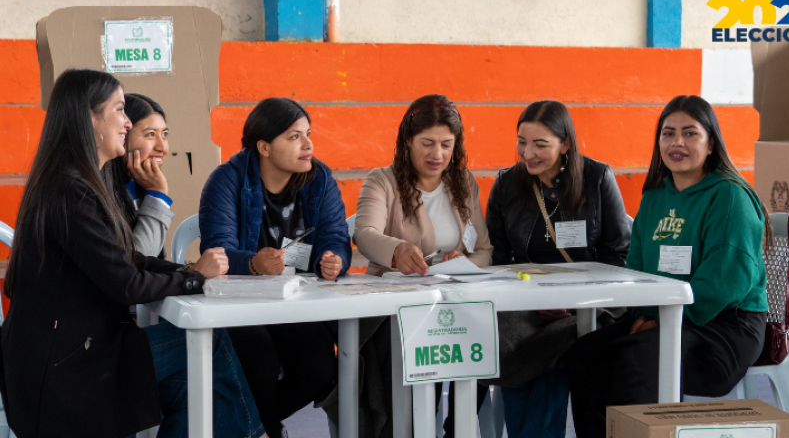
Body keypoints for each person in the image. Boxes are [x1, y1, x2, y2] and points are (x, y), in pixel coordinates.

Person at [0, 69, 267, 438]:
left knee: (192, 387)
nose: (127, 122)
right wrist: (195, 277)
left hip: (75, 352)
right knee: (211, 341)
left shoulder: (77, 182)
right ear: (89, 118)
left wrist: (189, 269)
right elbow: (125, 283)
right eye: (120, 110)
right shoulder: (71, 191)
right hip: (65, 369)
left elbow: (127, 258)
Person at [567, 95, 769, 438]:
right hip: (660, 315)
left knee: (629, 362)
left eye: (690, 133)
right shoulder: (656, 196)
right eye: (667, 133)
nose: (677, 142)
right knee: (583, 355)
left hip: (723, 327)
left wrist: (661, 319)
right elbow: (638, 266)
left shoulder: (729, 197)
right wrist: (647, 314)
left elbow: (723, 282)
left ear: (711, 144)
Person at [199, 97, 351, 437]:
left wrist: (334, 259)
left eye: (308, 133)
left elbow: (336, 236)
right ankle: (265, 429)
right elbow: (217, 249)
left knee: (319, 366)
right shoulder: (227, 180)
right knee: (259, 357)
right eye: (294, 137)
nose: (308, 144)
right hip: (239, 304)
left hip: (293, 302)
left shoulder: (320, 178)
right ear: (264, 146)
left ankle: (250, 428)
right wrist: (252, 263)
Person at [484, 100, 631, 438]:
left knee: (557, 341)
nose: (527, 153)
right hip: (526, 304)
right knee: (509, 338)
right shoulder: (507, 184)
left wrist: (575, 303)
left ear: (565, 144)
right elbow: (499, 259)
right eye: (522, 141)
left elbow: (618, 255)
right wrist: (532, 301)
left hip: (593, 304)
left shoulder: (597, 177)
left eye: (540, 144)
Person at [351, 94, 493, 437]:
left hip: (455, 304)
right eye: (427, 143)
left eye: (447, 144)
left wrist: (464, 261)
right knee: (407, 343)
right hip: (397, 308)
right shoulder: (382, 180)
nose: (437, 154)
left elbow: (485, 250)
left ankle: (455, 428)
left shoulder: (464, 182)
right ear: (407, 141)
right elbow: (364, 233)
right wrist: (397, 250)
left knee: (489, 334)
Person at [108, 93, 173, 258]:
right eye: (150, 134)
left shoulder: (139, 186)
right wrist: (158, 195)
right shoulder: (99, 191)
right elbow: (133, 266)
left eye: (164, 134)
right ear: (122, 135)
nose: (162, 147)